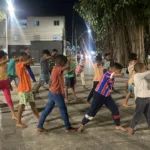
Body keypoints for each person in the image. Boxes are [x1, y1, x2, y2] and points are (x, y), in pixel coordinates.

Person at [78, 63, 126, 132]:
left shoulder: (111, 75)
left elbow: (111, 80)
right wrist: (123, 74)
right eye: (120, 70)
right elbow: (114, 75)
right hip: (99, 95)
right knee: (93, 110)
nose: (120, 72)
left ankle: (118, 125)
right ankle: (82, 124)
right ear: (114, 70)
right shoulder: (107, 73)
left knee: (115, 109)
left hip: (107, 95)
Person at [37, 55, 77, 133]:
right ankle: (68, 128)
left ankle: (39, 127)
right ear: (61, 62)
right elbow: (67, 67)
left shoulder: (54, 68)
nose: (65, 63)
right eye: (64, 62)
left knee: (47, 110)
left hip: (52, 92)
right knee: (63, 110)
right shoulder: (58, 69)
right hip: (56, 93)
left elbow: (51, 80)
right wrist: (69, 60)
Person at [16, 52, 40, 128]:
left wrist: (29, 61)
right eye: (26, 57)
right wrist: (29, 60)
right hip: (23, 89)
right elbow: (26, 62)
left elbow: (28, 63)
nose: (27, 59)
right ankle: (18, 122)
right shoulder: (18, 65)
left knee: (33, 104)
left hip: (28, 89)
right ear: (21, 58)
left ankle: (39, 119)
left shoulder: (25, 66)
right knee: (22, 105)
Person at [128, 63, 150, 135]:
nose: (145, 69)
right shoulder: (137, 76)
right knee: (138, 114)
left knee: (148, 114)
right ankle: (131, 128)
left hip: (147, 98)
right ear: (141, 69)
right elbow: (148, 72)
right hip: (141, 99)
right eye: (144, 68)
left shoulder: (141, 78)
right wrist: (136, 100)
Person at [0, 51, 17, 120]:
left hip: (5, 83)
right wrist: (6, 60)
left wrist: (9, 84)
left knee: (9, 99)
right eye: (4, 57)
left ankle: (13, 115)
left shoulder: (6, 65)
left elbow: (6, 75)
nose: (6, 58)